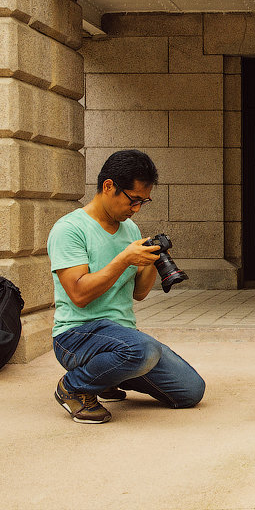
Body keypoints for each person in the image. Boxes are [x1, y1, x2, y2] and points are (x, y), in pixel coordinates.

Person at [48, 150, 205, 424]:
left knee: (191, 391)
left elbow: (139, 294)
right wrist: (124, 259)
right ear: (109, 186)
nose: (136, 209)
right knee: (143, 350)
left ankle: (106, 378)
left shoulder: (129, 229)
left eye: (144, 202)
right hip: (76, 335)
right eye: (133, 200)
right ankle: (74, 387)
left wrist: (148, 263)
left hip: (120, 335)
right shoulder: (70, 229)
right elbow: (79, 294)